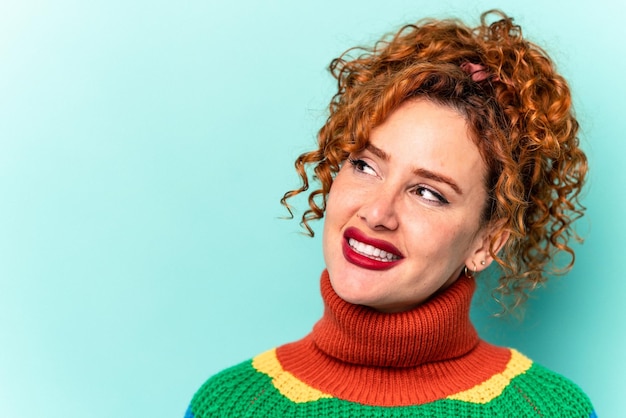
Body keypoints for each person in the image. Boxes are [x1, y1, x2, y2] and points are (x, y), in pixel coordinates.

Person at [185, 10, 595, 417]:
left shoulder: (548, 410)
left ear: (487, 242)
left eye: (428, 192)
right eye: (365, 166)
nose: (378, 212)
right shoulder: (230, 406)